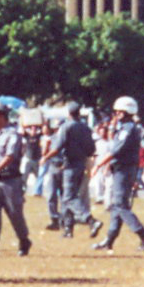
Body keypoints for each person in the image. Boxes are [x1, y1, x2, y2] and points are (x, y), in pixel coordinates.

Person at [88, 97, 144, 253]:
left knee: (121, 206)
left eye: (119, 111)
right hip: (121, 168)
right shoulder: (125, 127)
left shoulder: (128, 129)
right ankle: (109, 240)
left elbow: (116, 150)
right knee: (117, 206)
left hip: (124, 170)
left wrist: (99, 164)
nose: (116, 114)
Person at [0, 103, 31, 257]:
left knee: (15, 213)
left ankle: (23, 240)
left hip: (10, 181)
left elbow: (9, 157)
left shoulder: (13, 135)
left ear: (2, 117)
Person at [45, 102, 100, 239]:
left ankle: (91, 220)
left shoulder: (66, 127)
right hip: (81, 164)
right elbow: (91, 149)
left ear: (68, 113)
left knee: (69, 197)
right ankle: (68, 229)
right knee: (68, 197)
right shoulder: (85, 128)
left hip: (69, 165)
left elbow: (57, 147)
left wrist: (45, 157)